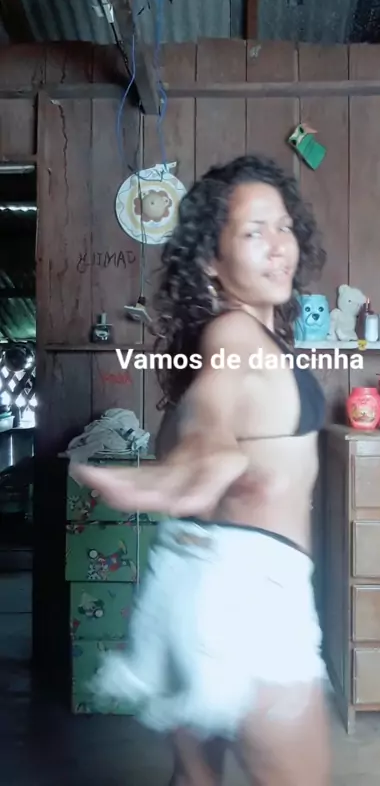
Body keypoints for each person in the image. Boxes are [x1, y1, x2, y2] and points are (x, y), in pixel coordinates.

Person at [70, 154, 329, 786]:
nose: (279, 246)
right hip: (249, 596)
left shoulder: (223, 338)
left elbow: (207, 403)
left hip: (186, 580)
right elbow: (210, 409)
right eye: (254, 232)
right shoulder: (235, 334)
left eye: (284, 226)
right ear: (211, 259)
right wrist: (203, 450)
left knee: (194, 781)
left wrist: (198, 452)